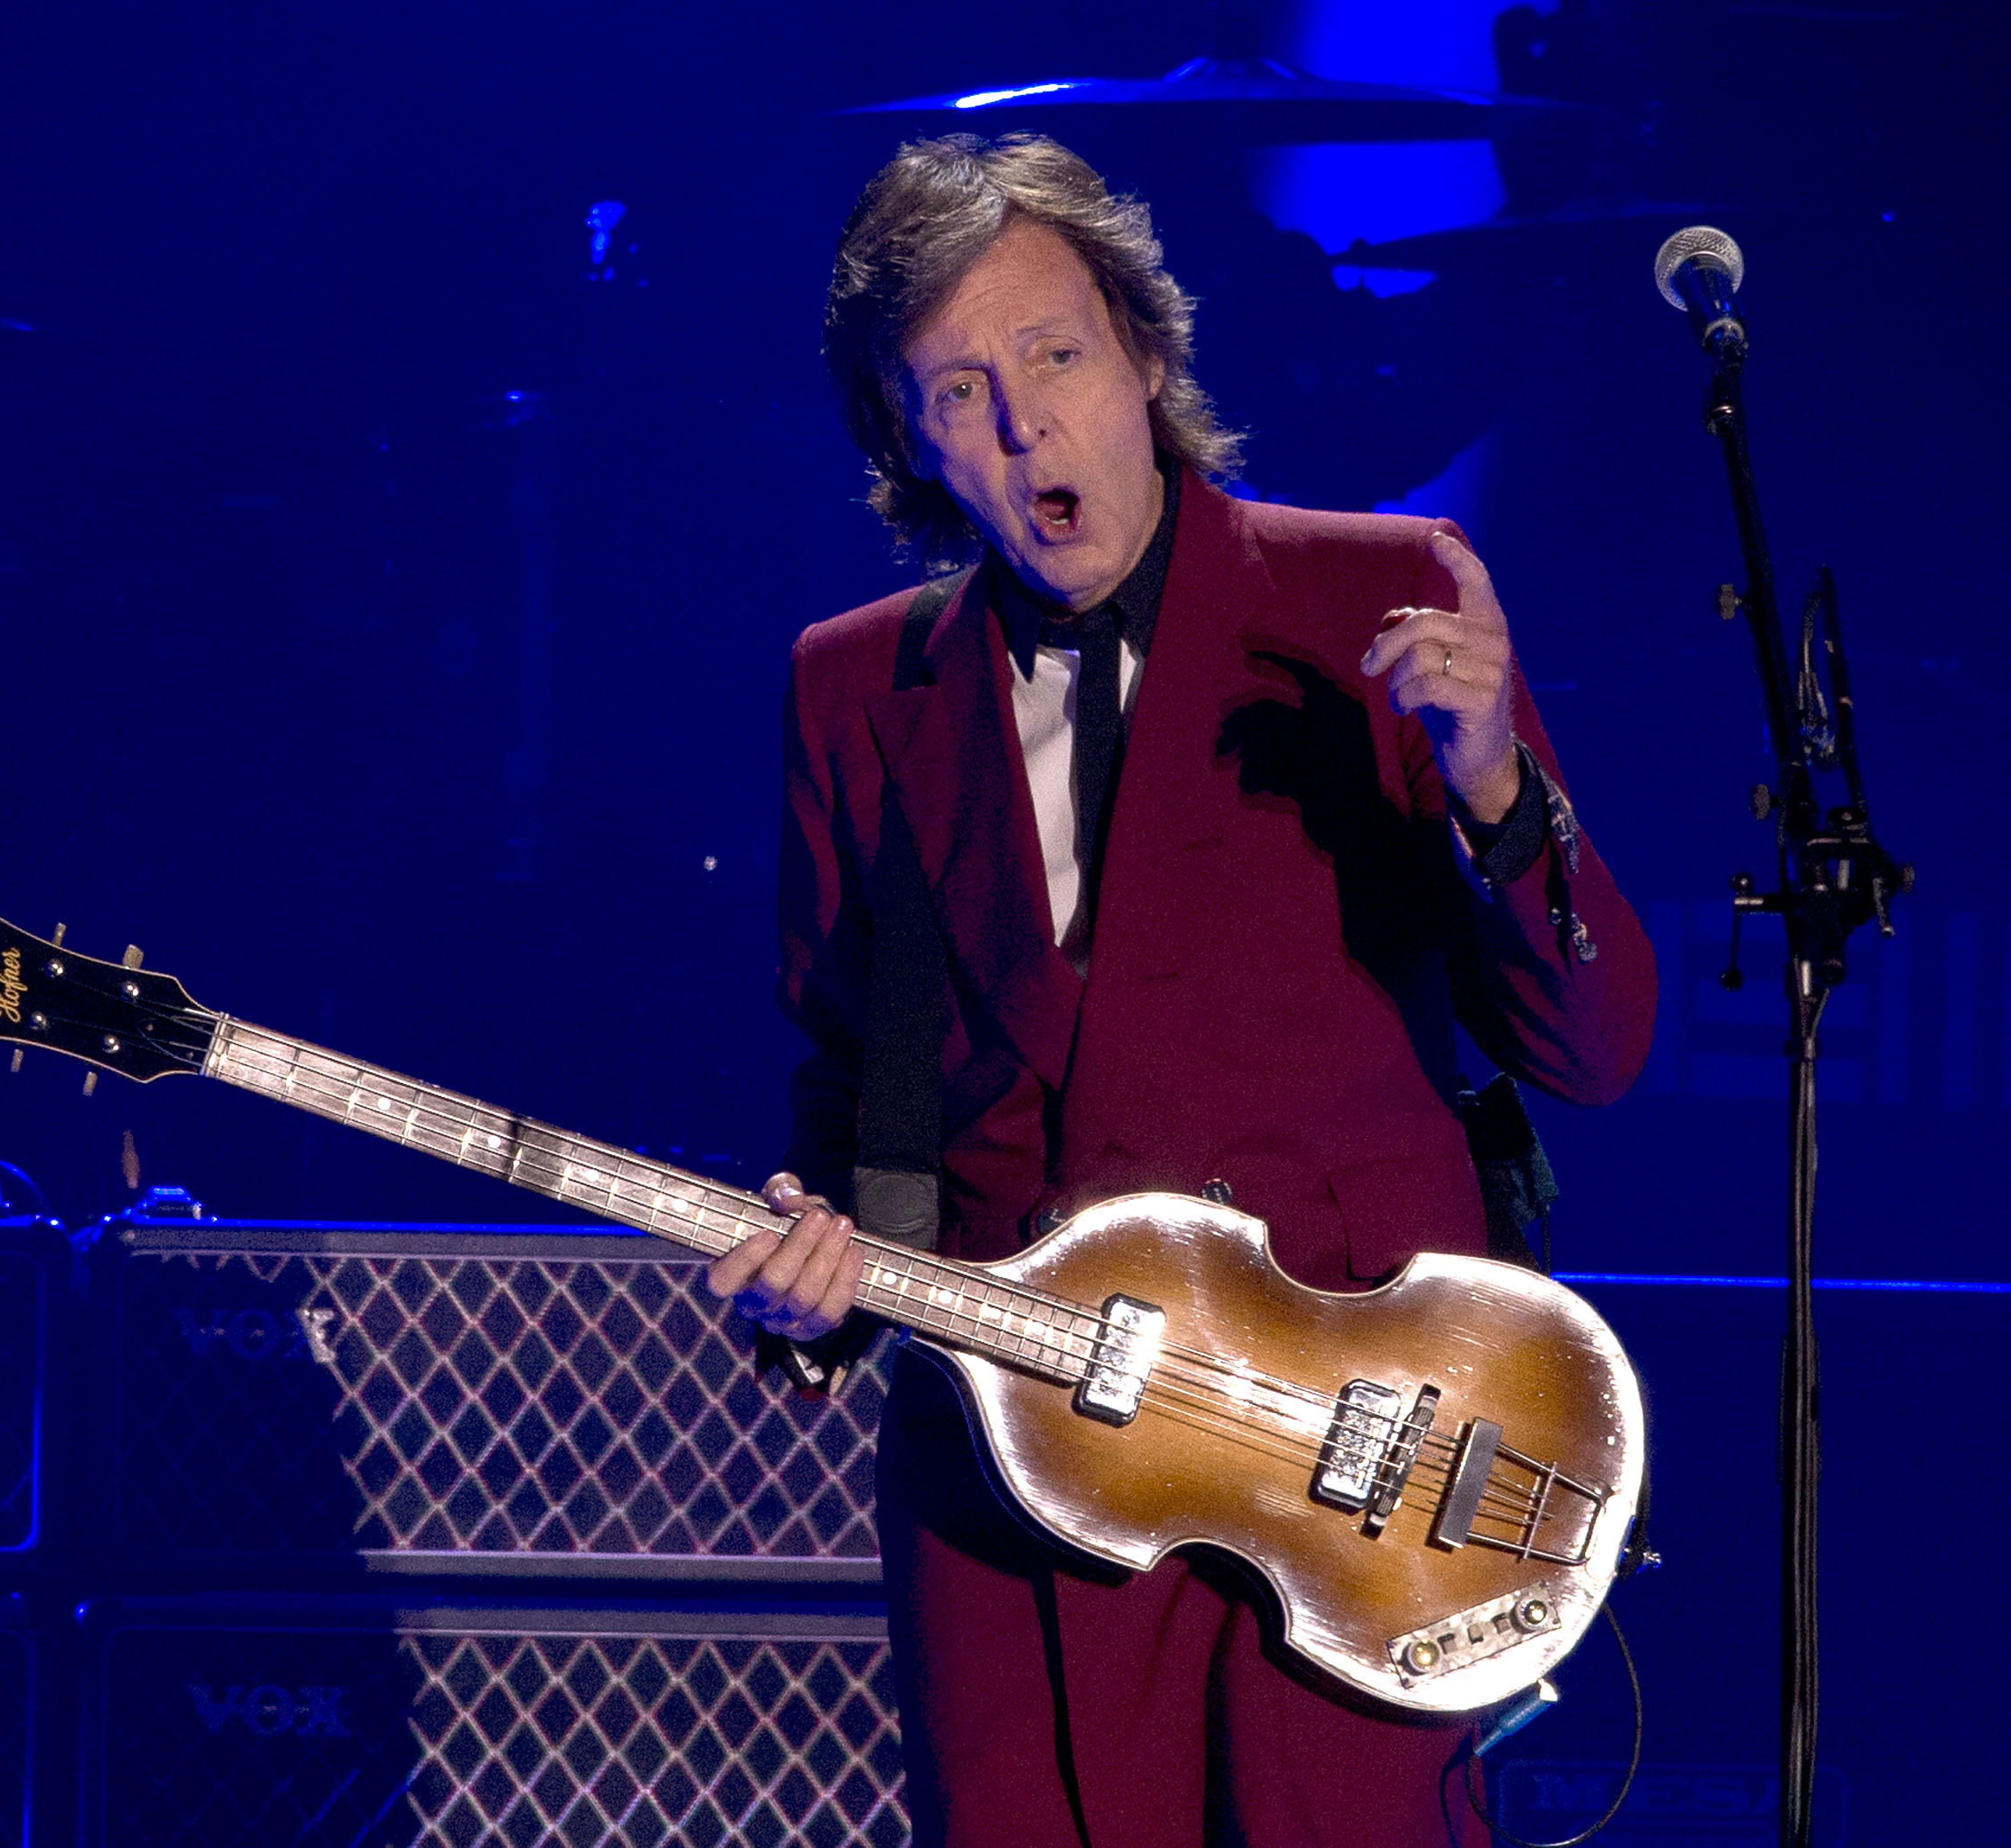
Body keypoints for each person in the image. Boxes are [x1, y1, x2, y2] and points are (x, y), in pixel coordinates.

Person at [707, 133, 1655, 1848]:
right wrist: (821, 1278)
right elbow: (857, 1090)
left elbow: (1591, 1044)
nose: (1023, 425)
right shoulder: (853, 687)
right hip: (1017, 1503)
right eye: (958, 393)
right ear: (907, 443)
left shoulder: (1370, 592)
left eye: (1056, 356)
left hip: (1348, 1471)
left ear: (1146, 352)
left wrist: (1500, 784)